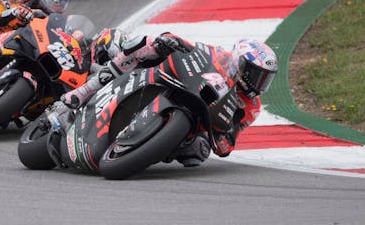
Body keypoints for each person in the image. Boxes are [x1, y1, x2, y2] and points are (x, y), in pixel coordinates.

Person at [48, 29, 278, 167]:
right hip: (170, 79)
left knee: (197, 155)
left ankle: (143, 147)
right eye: (257, 75)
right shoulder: (219, 55)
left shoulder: (251, 106)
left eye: (265, 79)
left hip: (196, 124)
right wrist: (169, 41)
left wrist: (220, 137)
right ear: (240, 63)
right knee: (145, 44)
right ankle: (83, 92)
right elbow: (191, 47)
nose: (259, 84)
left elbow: (228, 144)